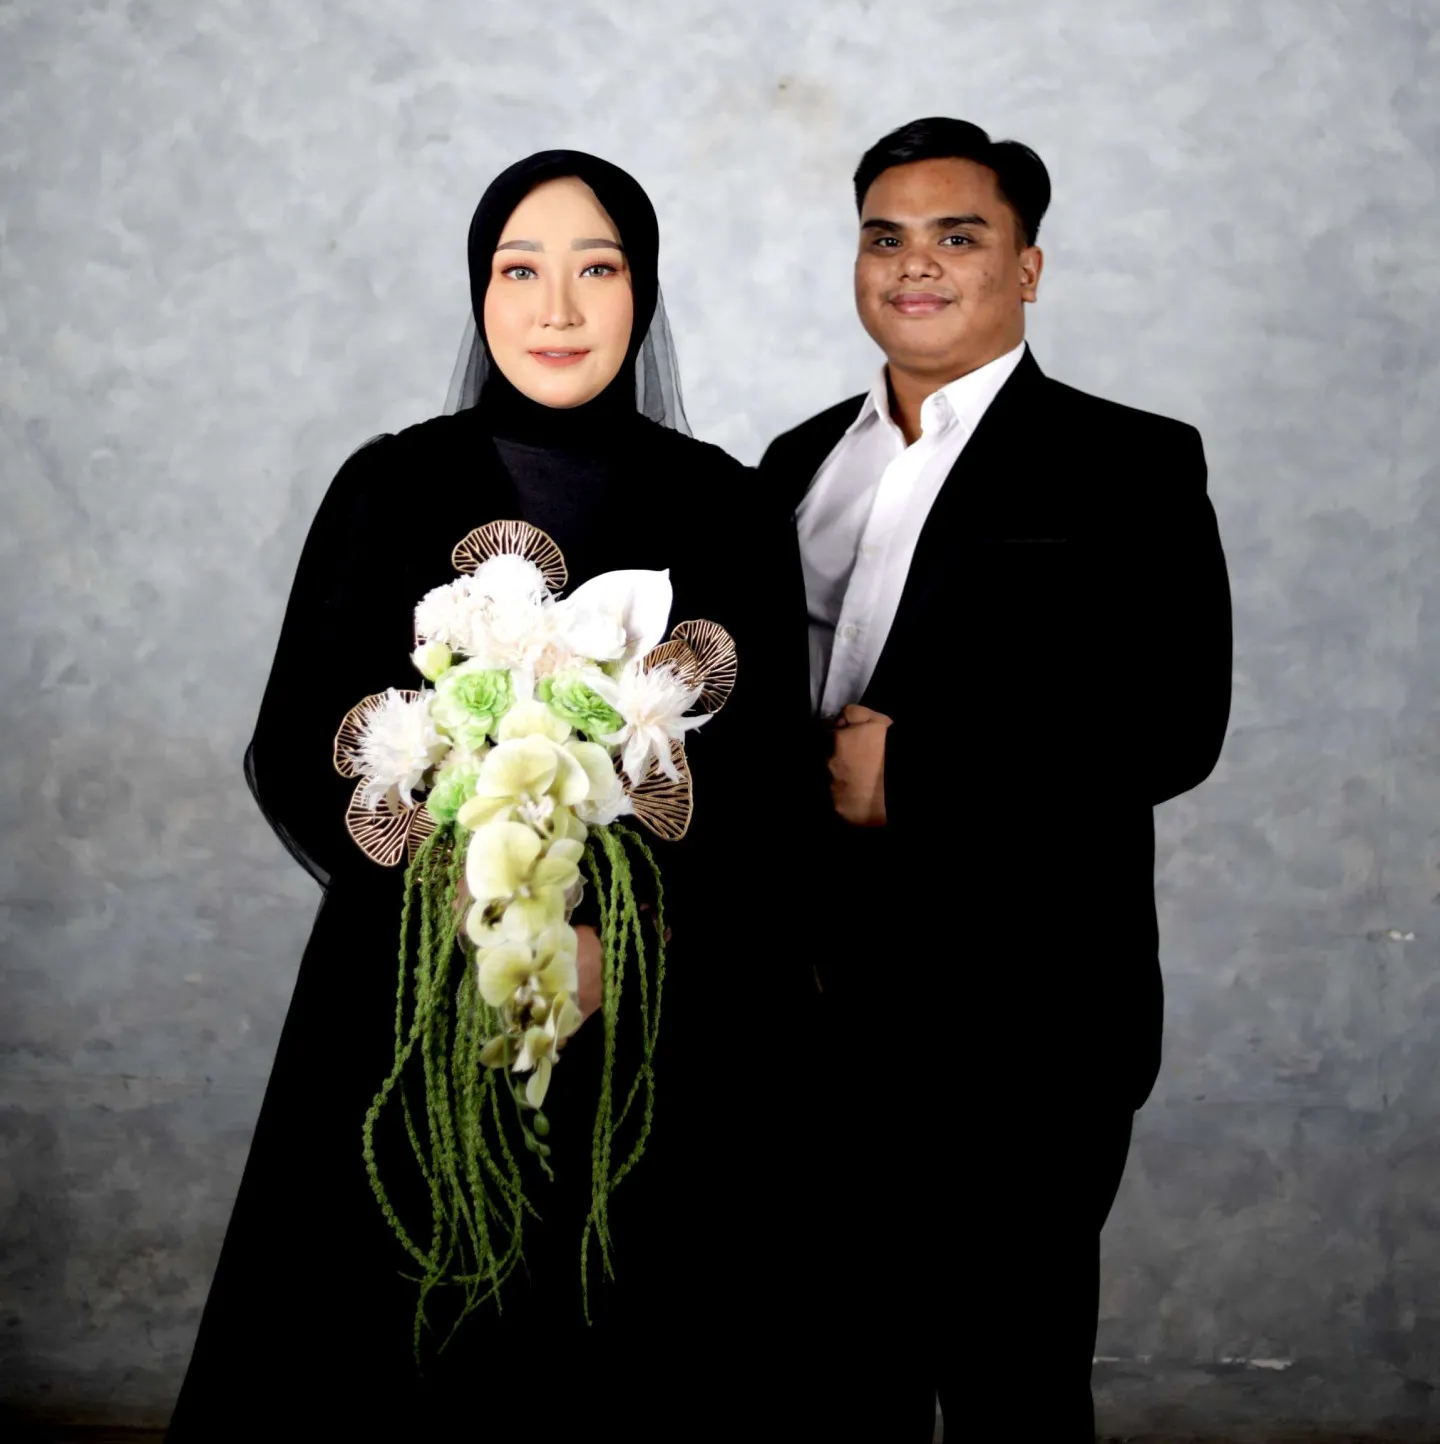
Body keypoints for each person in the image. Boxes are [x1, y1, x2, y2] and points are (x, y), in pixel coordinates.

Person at [169, 150, 817, 1439]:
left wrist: (616, 935)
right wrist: (477, 916)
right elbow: (301, 739)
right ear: (480, 293)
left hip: (663, 1002)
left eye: (597, 269)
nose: (557, 309)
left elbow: (763, 772)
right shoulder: (388, 486)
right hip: (419, 983)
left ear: (643, 293)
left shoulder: (728, 504)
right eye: (520, 271)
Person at [758, 115, 1232, 1444]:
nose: (916, 264)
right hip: (810, 1017)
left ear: (1026, 267)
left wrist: (915, 772)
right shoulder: (794, 466)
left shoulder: (1129, 462)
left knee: (1011, 1393)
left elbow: (1174, 723)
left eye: (958, 236)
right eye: (886, 238)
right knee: (831, 1390)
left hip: (1026, 1022)